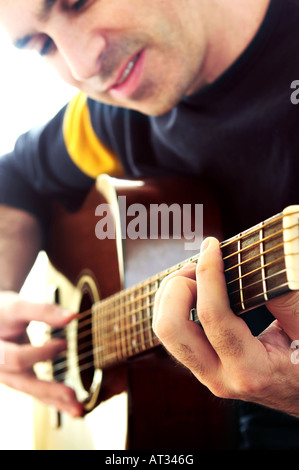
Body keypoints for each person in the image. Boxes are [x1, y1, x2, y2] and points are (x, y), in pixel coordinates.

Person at [0, 0, 299, 449]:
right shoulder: (115, 114)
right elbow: (15, 181)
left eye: (79, 3)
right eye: (41, 45)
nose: (82, 67)